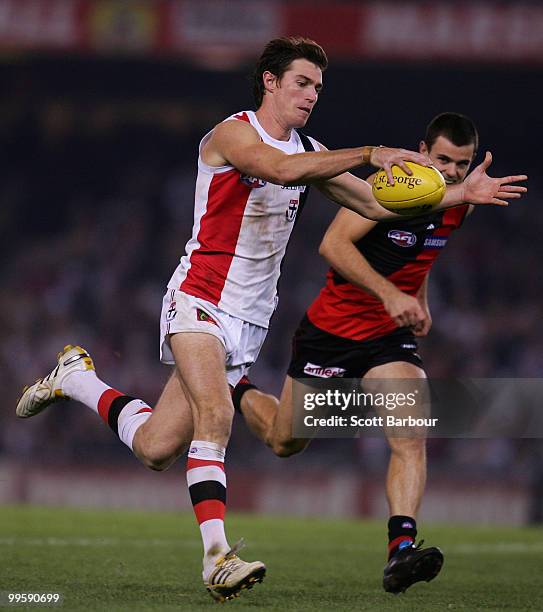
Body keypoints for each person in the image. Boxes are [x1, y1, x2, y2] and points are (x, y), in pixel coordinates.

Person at [16, 36, 527, 603]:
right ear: (270, 81)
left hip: (248, 322)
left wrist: (458, 193)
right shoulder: (232, 134)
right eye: (302, 83)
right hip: (198, 298)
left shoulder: (312, 152)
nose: (312, 95)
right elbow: (279, 169)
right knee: (216, 413)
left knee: (157, 447)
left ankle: (76, 378)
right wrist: (370, 152)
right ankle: (218, 558)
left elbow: (376, 206)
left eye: (318, 87)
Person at [233, 112, 513, 594]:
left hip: (387, 338)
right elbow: (333, 245)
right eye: (442, 159)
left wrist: (417, 298)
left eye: (460, 165)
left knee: (410, 429)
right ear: (422, 150)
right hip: (332, 332)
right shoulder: (390, 186)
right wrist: (389, 293)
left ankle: (400, 549)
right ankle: (233, 384)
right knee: (285, 442)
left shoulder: (461, 203)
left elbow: (423, 253)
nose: (450, 172)